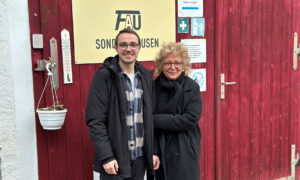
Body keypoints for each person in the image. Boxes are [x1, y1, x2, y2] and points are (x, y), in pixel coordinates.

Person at [86, 28, 160, 180]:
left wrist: (153, 151)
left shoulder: (145, 78)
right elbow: (95, 121)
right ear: (116, 47)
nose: (128, 49)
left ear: (139, 47)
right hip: (115, 161)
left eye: (133, 44)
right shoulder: (104, 76)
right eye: (123, 44)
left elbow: (151, 119)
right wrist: (106, 156)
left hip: (140, 160)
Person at [152, 42, 202, 180]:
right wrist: (153, 151)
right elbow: (147, 125)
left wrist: (155, 119)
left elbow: (189, 120)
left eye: (177, 63)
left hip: (185, 147)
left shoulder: (192, 87)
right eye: (168, 63)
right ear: (161, 65)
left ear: (183, 65)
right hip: (159, 149)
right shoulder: (153, 87)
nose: (172, 67)